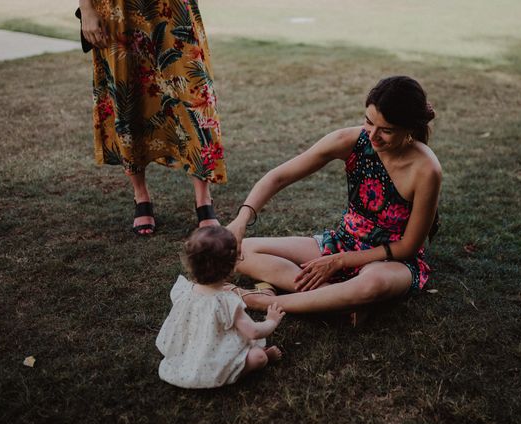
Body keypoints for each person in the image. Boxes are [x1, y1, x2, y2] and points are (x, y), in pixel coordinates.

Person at [227, 76, 442, 315]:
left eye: (387, 130)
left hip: (392, 261)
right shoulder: (350, 140)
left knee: (373, 284)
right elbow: (278, 177)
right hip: (343, 242)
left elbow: (408, 247)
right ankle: (336, 299)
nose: (372, 135)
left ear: (408, 128)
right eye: (369, 122)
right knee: (236, 251)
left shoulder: (426, 169)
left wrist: (339, 261)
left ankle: (261, 302)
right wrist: (241, 219)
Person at [79, 0, 226, 235]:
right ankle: (141, 196)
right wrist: (86, 9)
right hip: (119, 11)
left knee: (196, 96)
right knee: (128, 98)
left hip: (173, 8)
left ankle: (203, 199)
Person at [156, 226, 284, 388]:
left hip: (187, 358)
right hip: (214, 367)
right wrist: (271, 321)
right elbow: (254, 331)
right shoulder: (227, 302)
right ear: (230, 268)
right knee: (259, 357)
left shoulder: (185, 290)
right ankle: (235, 370)